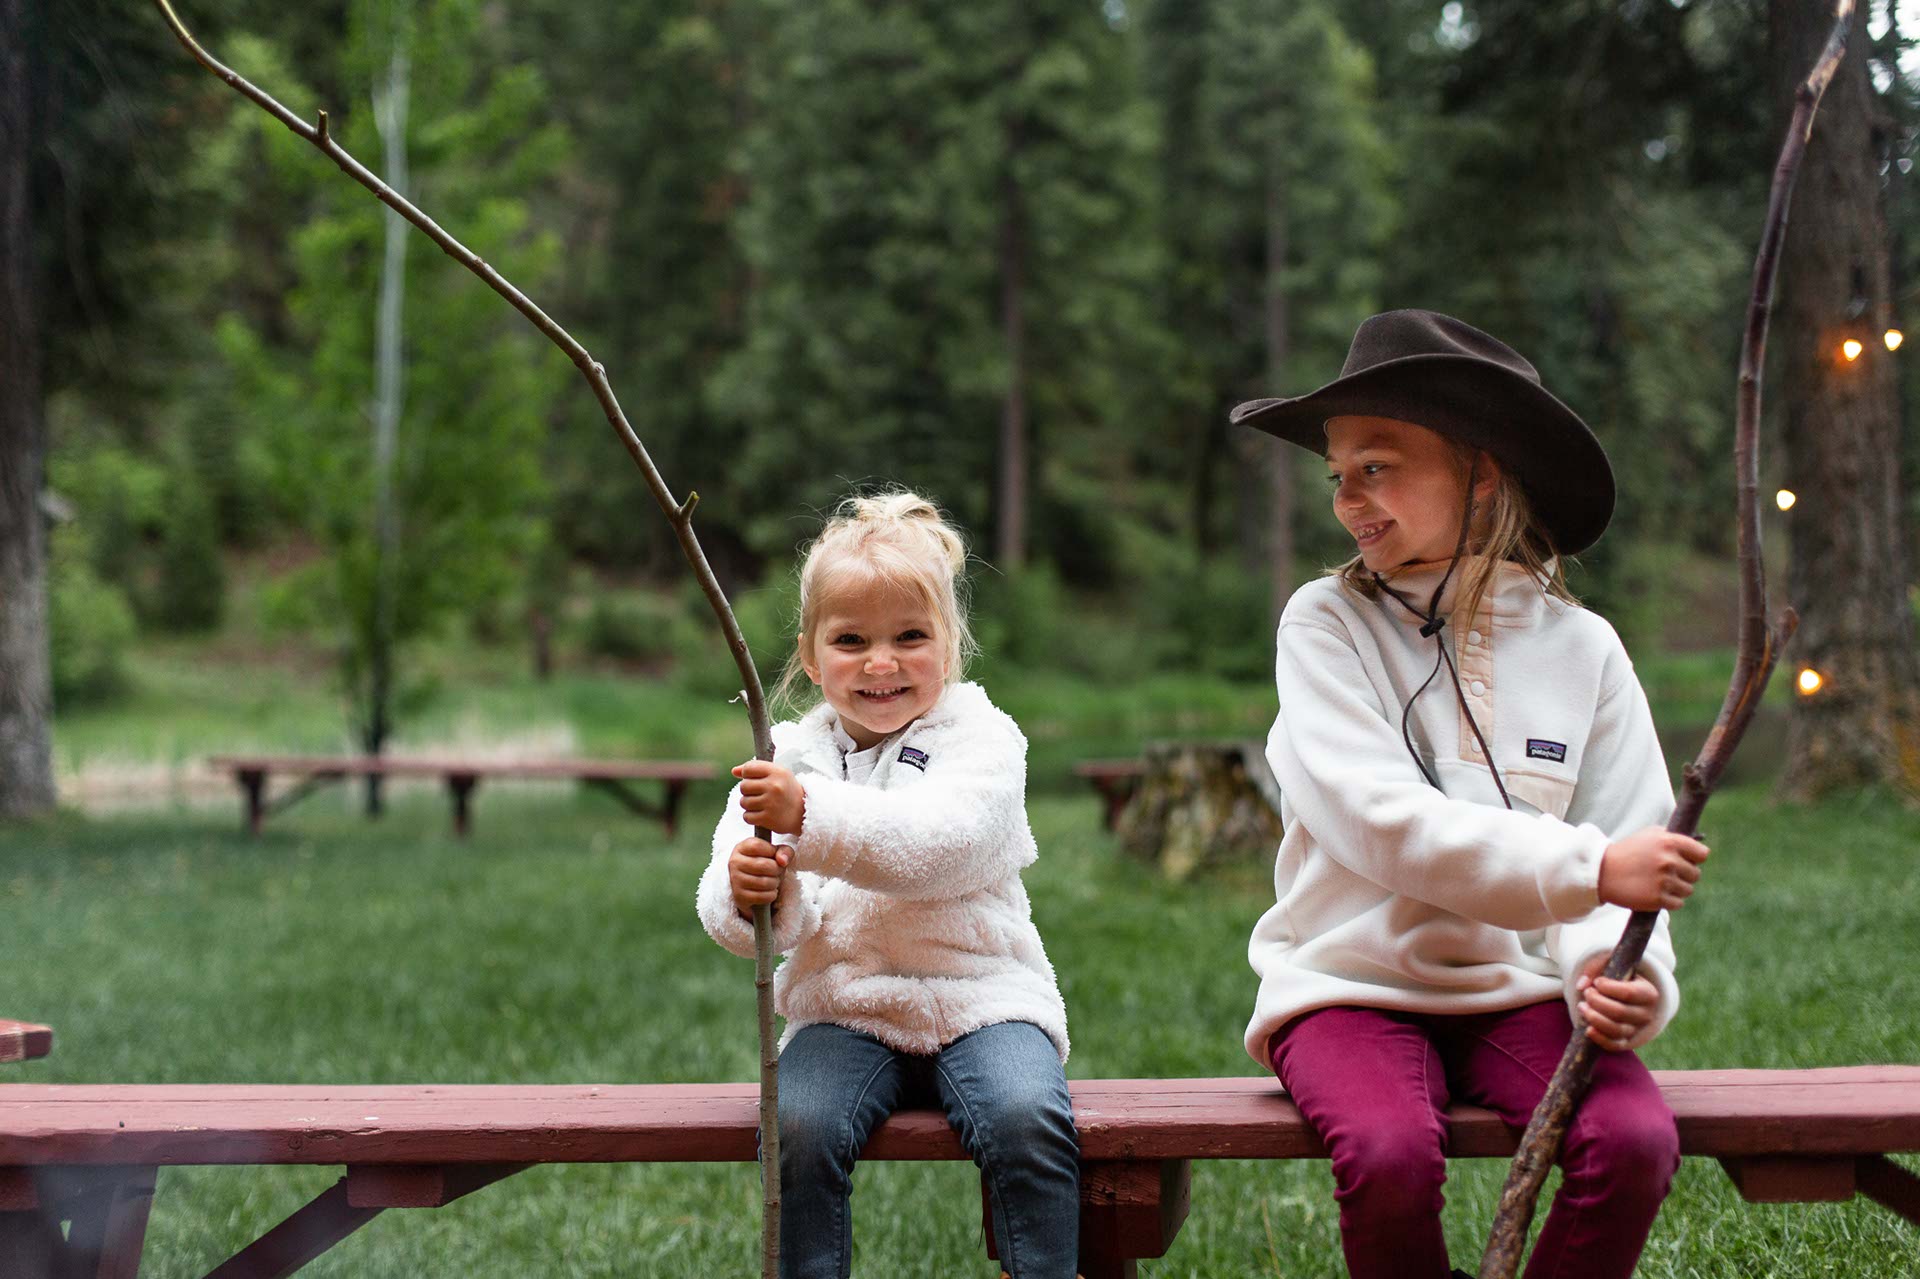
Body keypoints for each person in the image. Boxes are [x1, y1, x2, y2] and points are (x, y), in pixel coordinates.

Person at [1231, 310, 1709, 1279]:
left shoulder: (1585, 649)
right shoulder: (1324, 625)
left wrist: (1607, 970)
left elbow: (1629, 831)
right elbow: (1381, 821)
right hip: (1344, 989)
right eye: (1339, 474)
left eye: (1380, 465)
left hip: (1511, 989)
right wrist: (1589, 869)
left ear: (1481, 470)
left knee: (1633, 1142)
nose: (1350, 500)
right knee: (1392, 1154)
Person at [694, 490, 1078, 1279]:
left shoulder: (984, 740)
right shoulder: (788, 757)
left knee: (1025, 1114)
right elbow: (735, 917)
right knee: (795, 1123)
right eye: (850, 639)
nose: (880, 661)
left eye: (910, 636)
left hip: (981, 995)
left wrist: (811, 819)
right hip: (845, 1004)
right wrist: (749, 889)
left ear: (951, 645)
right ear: (809, 654)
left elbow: (940, 845)